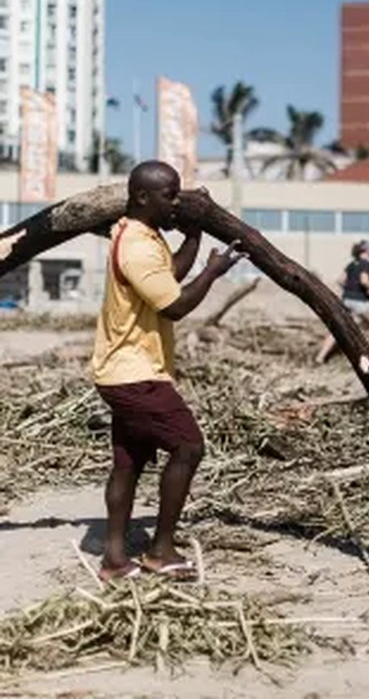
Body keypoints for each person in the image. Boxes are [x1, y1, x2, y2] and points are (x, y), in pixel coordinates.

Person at [92, 160, 244, 581]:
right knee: (189, 446)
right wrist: (213, 273)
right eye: (170, 194)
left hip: (119, 371)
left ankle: (115, 560)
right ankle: (160, 550)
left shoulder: (137, 233)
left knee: (128, 463)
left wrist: (194, 235)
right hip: (137, 374)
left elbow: (169, 276)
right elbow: (174, 304)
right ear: (143, 196)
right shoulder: (138, 246)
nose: (176, 202)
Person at [316, 240, 369, 365]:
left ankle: (320, 357)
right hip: (359, 301)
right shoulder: (366, 263)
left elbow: (340, 280)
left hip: (346, 300)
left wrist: (350, 289)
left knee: (341, 329)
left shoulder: (352, 264)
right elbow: (364, 281)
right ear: (366, 250)